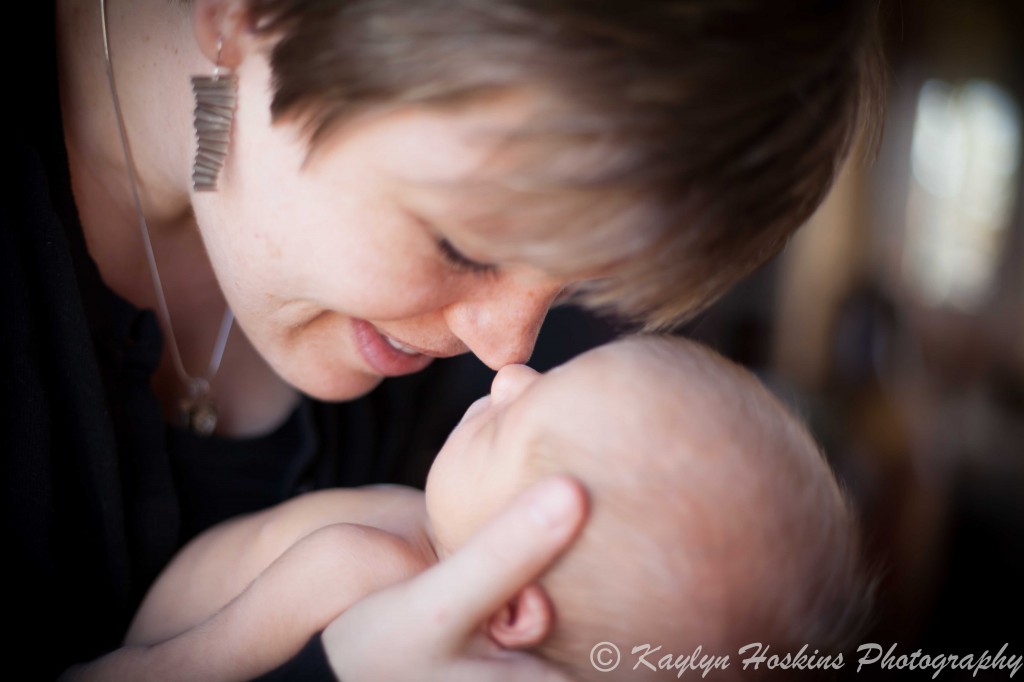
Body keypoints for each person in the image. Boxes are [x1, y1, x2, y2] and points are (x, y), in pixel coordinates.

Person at [4, 0, 882, 678]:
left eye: (576, 278)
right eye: (466, 242)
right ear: (247, 12)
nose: (508, 351)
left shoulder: (573, 444)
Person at [65, 336, 872, 681]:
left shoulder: (362, 570)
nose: (509, 376)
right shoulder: (426, 537)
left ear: (511, 604)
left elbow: (178, 671)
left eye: (518, 419)